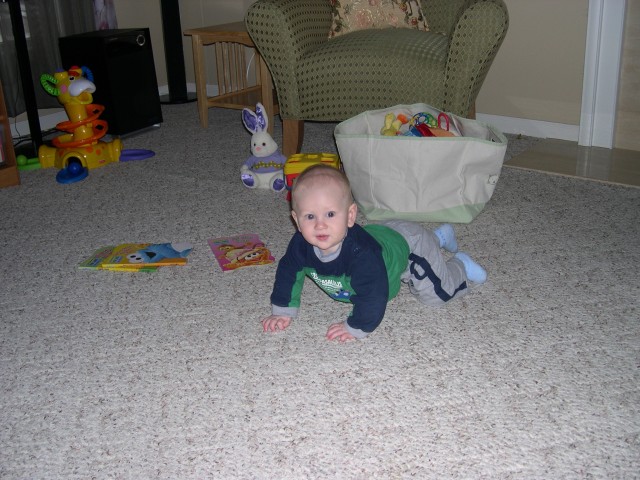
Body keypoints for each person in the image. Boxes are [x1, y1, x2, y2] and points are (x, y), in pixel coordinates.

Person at [261, 164, 487, 342]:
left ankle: (460, 265)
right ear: (296, 220)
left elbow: (374, 296)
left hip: (410, 247)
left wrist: (357, 326)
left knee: (436, 296)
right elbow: (288, 272)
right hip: (383, 235)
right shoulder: (300, 245)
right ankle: (439, 237)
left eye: (330, 214)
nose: (320, 225)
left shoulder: (362, 257)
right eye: (310, 216)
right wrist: (283, 309)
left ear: (350, 216)